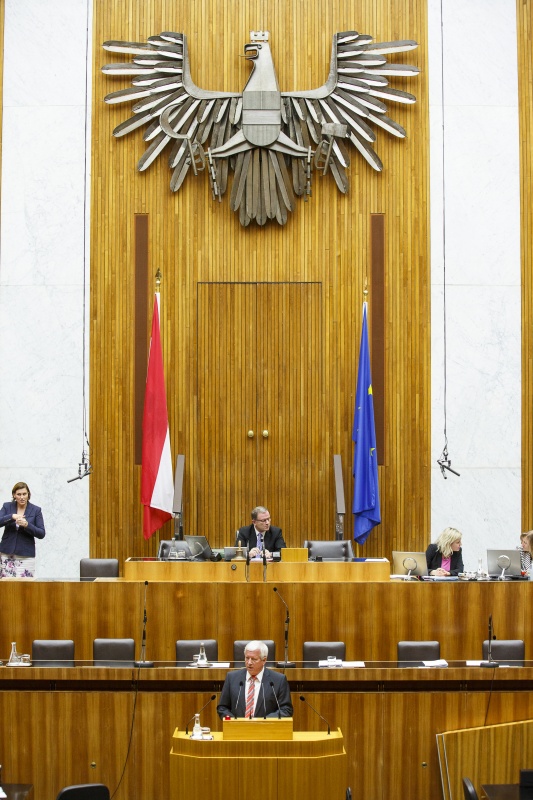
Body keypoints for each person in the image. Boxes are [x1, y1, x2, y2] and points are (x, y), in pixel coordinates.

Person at [217, 640, 293, 719]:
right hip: (238, 729)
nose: (249, 662)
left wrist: (263, 721)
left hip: (265, 729)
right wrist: (234, 721)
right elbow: (222, 708)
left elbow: (286, 710)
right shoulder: (232, 678)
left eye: (253, 659)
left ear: (264, 660)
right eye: (247, 658)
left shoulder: (278, 680)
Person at [0, 481, 46, 578]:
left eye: (24, 494)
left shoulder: (36, 510)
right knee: (6, 588)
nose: (22, 497)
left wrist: (27, 525)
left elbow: (41, 533)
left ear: (28, 494)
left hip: (26, 556)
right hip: (6, 554)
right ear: (14, 495)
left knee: (26, 589)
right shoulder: (7, 506)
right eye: (19, 494)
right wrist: (12, 516)